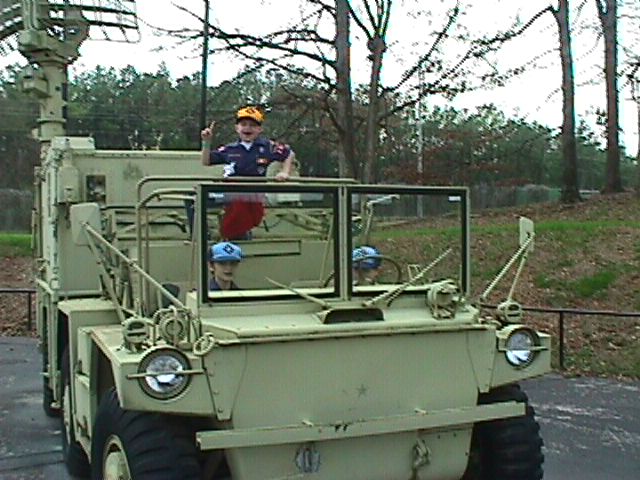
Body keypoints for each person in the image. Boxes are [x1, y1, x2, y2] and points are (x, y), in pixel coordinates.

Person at [200, 106, 296, 240]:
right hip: (229, 192)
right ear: (237, 128)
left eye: (252, 125)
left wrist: (285, 172)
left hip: (252, 195)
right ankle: (203, 236)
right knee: (195, 201)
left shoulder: (267, 147)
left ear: (260, 129)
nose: (247, 128)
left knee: (241, 214)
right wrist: (206, 142)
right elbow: (206, 161)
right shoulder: (230, 148)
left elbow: (289, 153)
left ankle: (234, 236)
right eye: (243, 124)